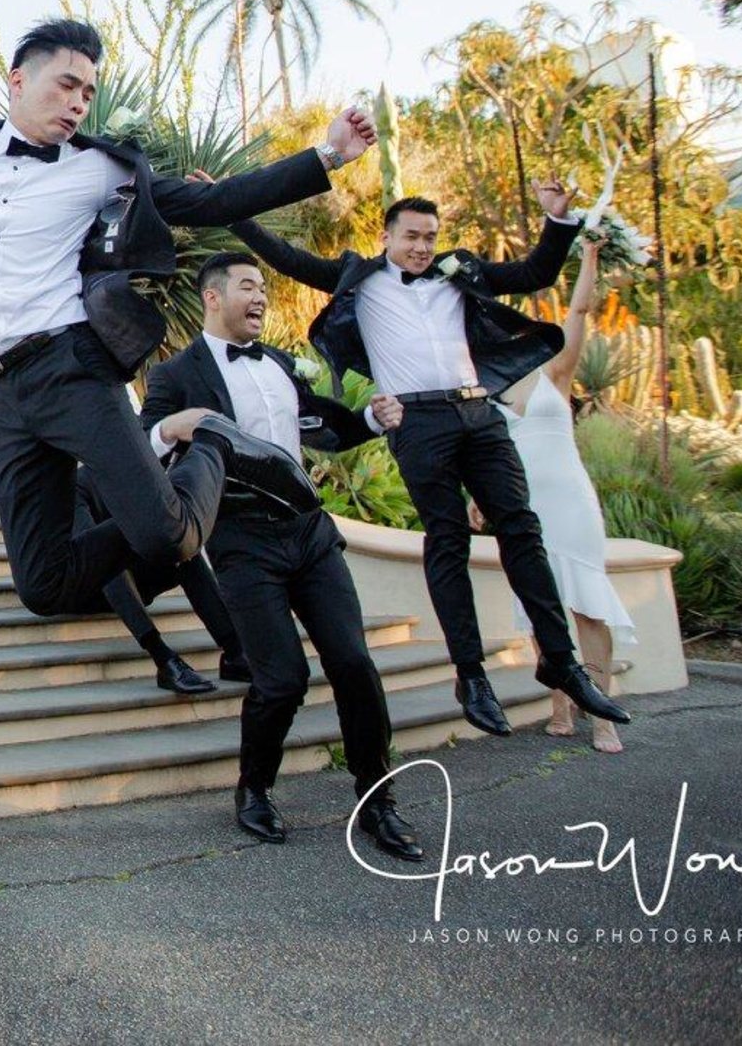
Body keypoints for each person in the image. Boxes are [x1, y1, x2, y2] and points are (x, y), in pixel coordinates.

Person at [0, 16, 375, 620]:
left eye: (87, 92)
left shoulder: (102, 168)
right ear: (17, 79)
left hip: (74, 370)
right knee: (44, 586)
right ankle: (163, 508)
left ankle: (212, 446)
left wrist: (329, 154)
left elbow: (214, 202)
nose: (78, 103)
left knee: (168, 539)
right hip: (3, 391)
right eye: (66, 85)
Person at [230, 189, 631, 737]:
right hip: (419, 425)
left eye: (429, 237)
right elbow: (290, 260)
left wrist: (557, 219)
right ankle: (472, 675)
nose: (422, 247)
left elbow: (535, 271)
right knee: (448, 539)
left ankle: (560, 660)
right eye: (412, 236)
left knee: (521, 528)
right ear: (387, 238)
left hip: (478, 414)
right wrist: (232, 208)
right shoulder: (362, 281)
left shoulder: (459, 272)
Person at [138, 252, 421, 859]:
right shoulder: (174, 376)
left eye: (263, 286)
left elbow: (322, 426)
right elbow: (140, 449)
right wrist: (170, 428)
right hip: (242, 542)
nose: (260, 296)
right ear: (213, 298)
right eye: (248, 286)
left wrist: (371, 417)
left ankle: (379, 800)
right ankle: (254, 789)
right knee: (282, 679)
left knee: (353, 662)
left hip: (310, 533)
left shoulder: (278, 364)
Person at [491, 234, 632, 753]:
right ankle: (560, 707)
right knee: (539, 605)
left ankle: (601, 714)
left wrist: (589, 257)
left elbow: (578, 309)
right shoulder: (493, 390)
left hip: (570, 502)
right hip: (523, 506)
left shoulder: (556, 372)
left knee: (589, 607)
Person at [78, 489, 249, 695]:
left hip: (127, 580)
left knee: (180, 546)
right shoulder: (72, 488)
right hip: (77, 592)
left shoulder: (125, 476)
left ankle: (235, 652)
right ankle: (164, 658)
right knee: (106, 557)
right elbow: (96, 560)